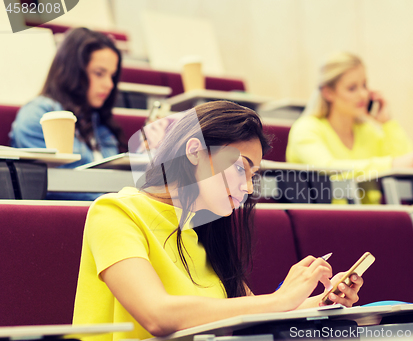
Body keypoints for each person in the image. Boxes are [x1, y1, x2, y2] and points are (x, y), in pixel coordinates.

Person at [72, 101, 364, 341]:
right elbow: (158, 316)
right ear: (194, 152)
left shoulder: (203, 230)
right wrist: (282, 298)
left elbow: (246, 312)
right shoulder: (114, 212)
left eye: (253, 176)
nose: (249, 188)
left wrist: (325, 301)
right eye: (240, 168)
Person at [286, 52, 413, 203]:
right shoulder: (306, 129)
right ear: (328, 93)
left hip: (370, 221)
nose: (363, 94)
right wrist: (390, 164)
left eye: (364, 85)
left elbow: (410, 163)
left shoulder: (368, 131)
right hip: (324, 221)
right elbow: (328, 168)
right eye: (352, 88)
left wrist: (388, 123)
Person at [9, 27, 125, 199]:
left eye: (112, 76)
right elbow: (56, 186)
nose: (109, 84)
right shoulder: (39, 115)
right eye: (99, 73)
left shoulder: (98, 120)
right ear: (73, 71)